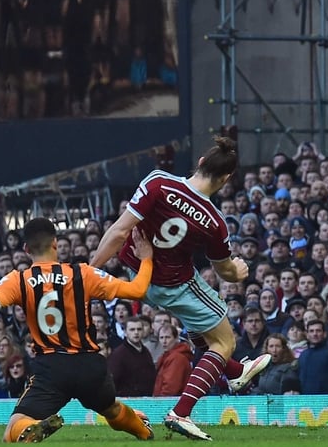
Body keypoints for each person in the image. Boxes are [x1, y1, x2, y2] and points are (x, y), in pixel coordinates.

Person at [0, 217, 155, 443]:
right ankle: (143, 431)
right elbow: (137, 290)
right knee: (111, 409)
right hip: (90, 365)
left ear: (25, 249)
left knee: (12, 429)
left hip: (52, 368)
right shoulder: (83, 273)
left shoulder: (18, 280)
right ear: (55, 243)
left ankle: (30, 427)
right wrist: (146, 259)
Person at [90, 136, 271, 441]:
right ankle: (182, 412)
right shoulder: (215, 221)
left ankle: (234, 372)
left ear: (200, 162)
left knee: (201, 329)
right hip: (175, 283)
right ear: (225, 179)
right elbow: (224, 270)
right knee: (224, 340)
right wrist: (238, 271)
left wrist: (90, 270)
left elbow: (120, 230)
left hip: (139, 275)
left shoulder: (158, 182)